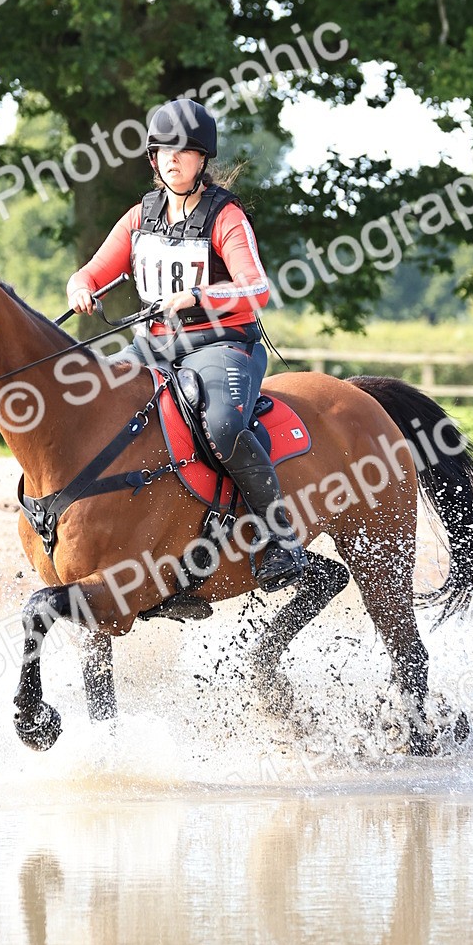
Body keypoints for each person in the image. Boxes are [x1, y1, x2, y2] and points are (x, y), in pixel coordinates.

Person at [66, 97, 307, 591]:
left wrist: (199, 297)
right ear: (153, 159)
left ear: (202, 159)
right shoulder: (140, 216)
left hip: (221, 344)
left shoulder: (225, 216)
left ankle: (279, 538)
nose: (172, 159)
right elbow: (92, 270)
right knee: (94, 398)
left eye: (183, 151)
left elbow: (256, 289)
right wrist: (80, 286)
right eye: (162, 151)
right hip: (153, 345)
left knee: (221, 424)